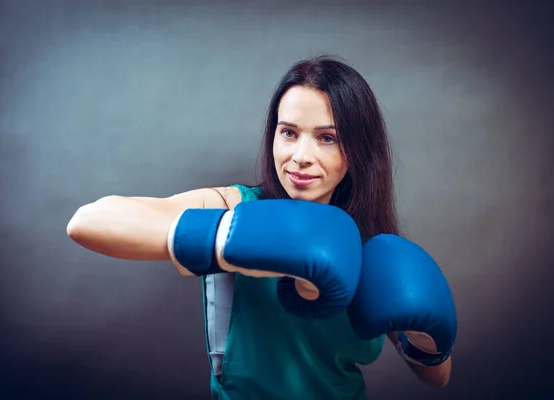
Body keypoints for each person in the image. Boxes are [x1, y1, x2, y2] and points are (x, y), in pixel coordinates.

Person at [67, 55, 457, 399]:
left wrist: (426, 339)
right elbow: (87, 222)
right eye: (289, 132)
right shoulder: (236, 206)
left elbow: (437, 377)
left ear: (358, 151)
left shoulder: (372, 250)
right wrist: (228, 239)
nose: (300, 156)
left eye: (327, 138)